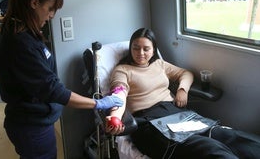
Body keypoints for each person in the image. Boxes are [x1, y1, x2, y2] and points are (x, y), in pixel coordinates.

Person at [0, 0, 123, 159]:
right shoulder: (21, 43)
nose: (51, 15)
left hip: (33, 121)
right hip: (32, 126)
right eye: (49, 9)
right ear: (34, 3)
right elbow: (54, 90)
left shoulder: (24, 31)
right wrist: (98, 103)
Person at [105, 28, 260, 159]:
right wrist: (115, 117)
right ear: (130, 48)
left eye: (146, 48)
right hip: (149, 122)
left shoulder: (159, 64)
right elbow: (119, 94)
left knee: (232, 137)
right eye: (136, 47)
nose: (141, 53)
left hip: (178, 114)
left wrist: (182, 90)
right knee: (211, 149)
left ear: (153, 50)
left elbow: (185, 74)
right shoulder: (123, 70)